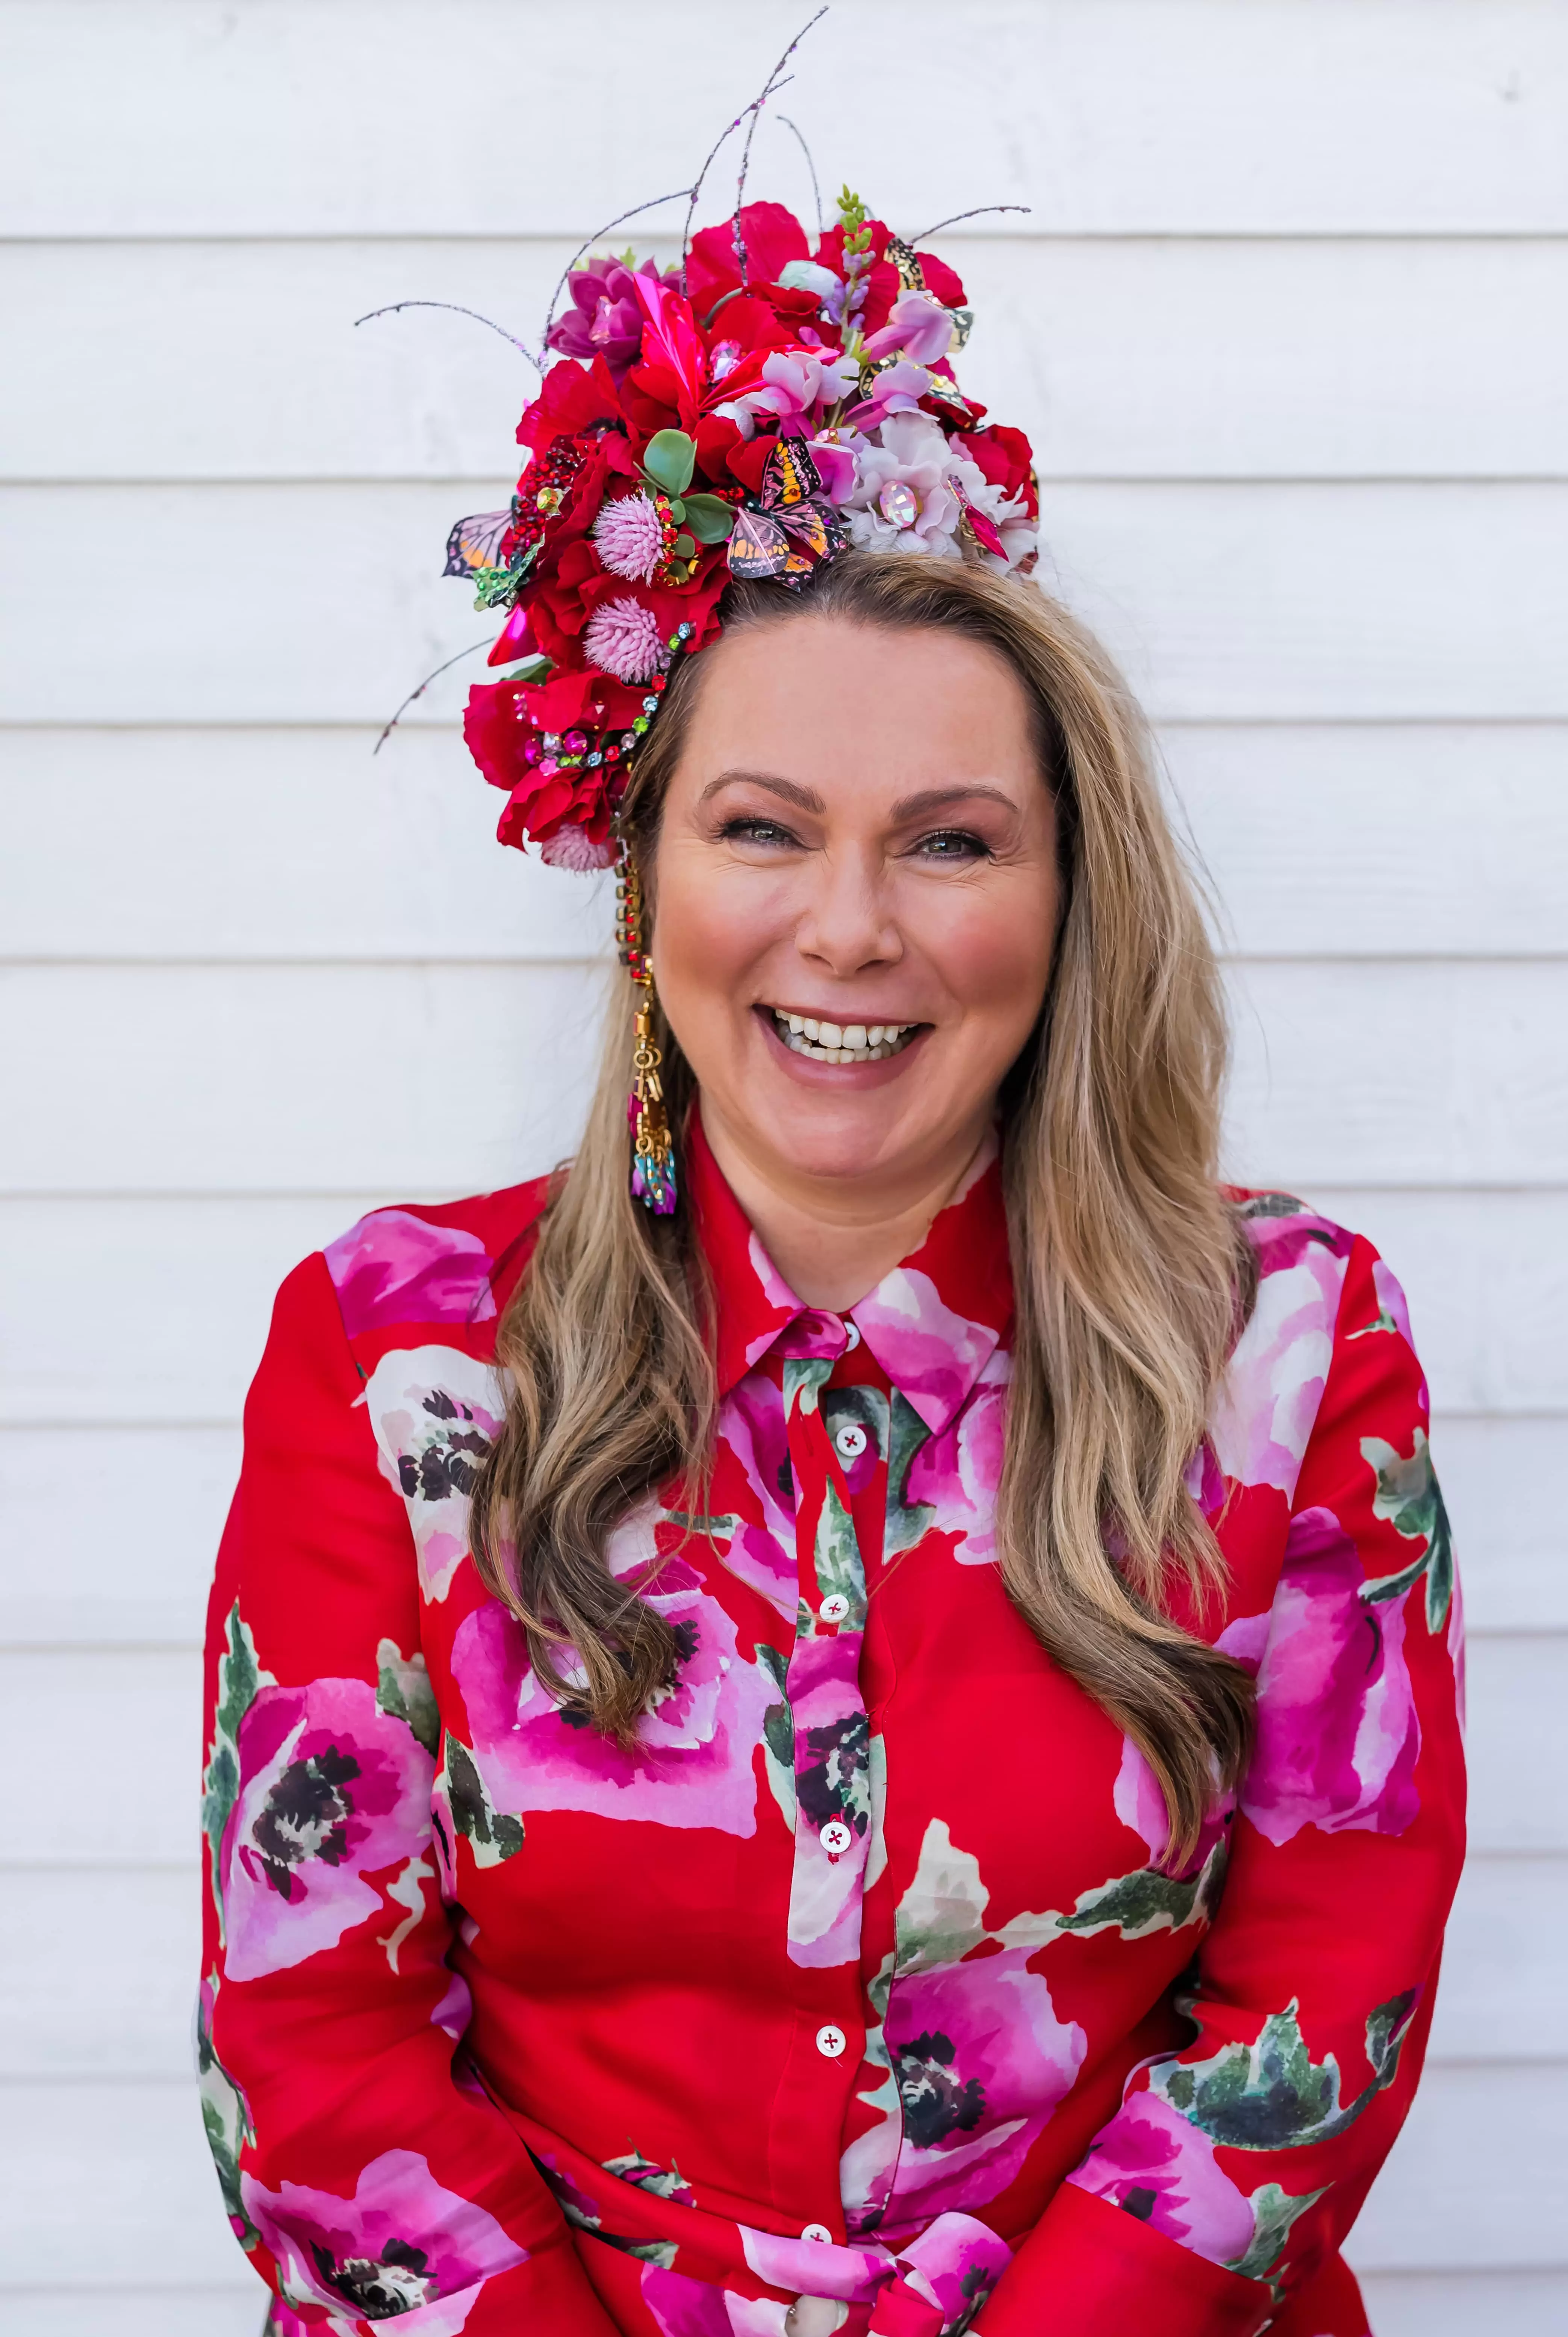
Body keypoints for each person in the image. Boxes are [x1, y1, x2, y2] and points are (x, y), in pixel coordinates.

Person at [198, 183, 1464, 2337]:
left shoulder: (1287, 1346)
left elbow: (1320, 1974)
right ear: (647, 889)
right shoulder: (399, 1360)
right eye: (763, 826)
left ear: (1067, 906)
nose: (849, 927)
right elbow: (310, 2046)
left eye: (950, 841)